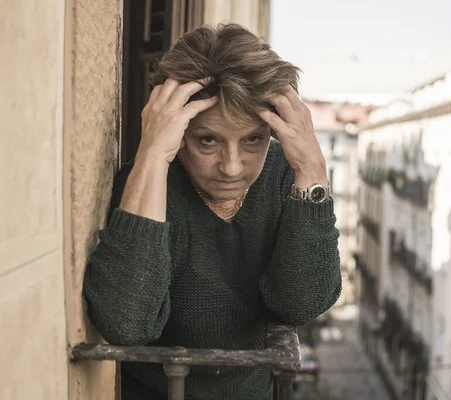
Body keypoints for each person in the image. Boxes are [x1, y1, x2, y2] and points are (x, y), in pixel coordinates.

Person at [82, 23, 341, 400]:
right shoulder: (148, 185)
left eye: (253, 140)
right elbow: (126, 323)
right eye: (208, 140)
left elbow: (302, 302)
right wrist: (153, 154)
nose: (232, 167)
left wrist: (312, 168)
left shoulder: (288, 179)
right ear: (179, 131)